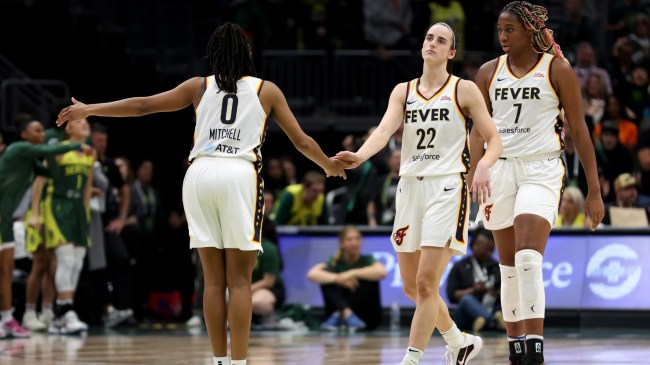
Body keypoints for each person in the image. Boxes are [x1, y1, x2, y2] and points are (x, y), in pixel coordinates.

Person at [56, 22, 345, 365]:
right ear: (247, 54)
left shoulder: (198, 86)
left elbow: (143, 106)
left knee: (212, 280)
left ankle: (218, 360)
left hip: (199, 174)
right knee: (239, 281)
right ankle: (238, 362)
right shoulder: (267, 90)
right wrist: (327, 164)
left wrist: (90, 109)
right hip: (239, 173)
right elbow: (302, 141)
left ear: (213, 55)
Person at [334, 22, 503, 365]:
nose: (432, 43)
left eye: (442, 40)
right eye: (429, 37)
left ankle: (411, 360)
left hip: (446, 186)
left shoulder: (464, 89)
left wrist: (484, 164)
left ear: (451, 52)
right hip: (409, 187)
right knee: (413, 288)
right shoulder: (404, 90)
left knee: (426, 284)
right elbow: (384, 130)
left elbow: (494, 139)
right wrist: (360, 156)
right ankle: (458, 341)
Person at [470, 2, 605, 364]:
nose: (502, 36)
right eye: (499, 29)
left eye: (509, 29)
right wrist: (473, 173)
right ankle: (516, 350)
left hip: (541, 169)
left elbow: (579, 130)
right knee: (509, 267)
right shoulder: (487, 72)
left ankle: (535, 349)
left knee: (529, 258)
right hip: (499, 170)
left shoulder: (557, 69)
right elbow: (477, 132)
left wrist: (594, 190)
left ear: (530, 30)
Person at [0, 119, 89, 338]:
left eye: (43, 131)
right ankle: (31, 313)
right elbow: (50, 150)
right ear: (23, 134)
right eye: (36, 131)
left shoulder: (33, 161)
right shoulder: (17, 149)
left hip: (6, 220)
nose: (42, 134)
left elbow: (54, 175)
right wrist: (75, 145)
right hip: (28, 215)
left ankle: (8, 319)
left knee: (6, 272)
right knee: (39, 264)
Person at [38, 118, 95, 335]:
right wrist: (35, 213)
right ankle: (67, 312)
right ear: (68, 128)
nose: (85, 125)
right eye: (80, 122)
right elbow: (40, 182)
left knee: (77, 261)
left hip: (79, 210)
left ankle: (62, 314)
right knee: (66, 259)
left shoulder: (90, 152)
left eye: (87, 123)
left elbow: (88, 187)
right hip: (58, 205)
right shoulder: (59, 150)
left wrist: (86, 212)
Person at [307, 225, 386, 332]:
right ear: (342, 243)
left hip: (366, 317)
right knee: (326, 277)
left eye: (357, 238)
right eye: (350, 239)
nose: (354, 242)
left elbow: (382, 272)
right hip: (338, 313)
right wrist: (339, 279)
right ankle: (346, 313)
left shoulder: (367, 260)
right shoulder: (335, 262)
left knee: (369, 278)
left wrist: (351, 273)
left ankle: (344, 314)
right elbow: (312, 274)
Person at [446, 226, 504, 333]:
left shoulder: (497, 266)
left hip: (492, 305)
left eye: (491, 250)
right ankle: (493, 320)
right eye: (485, 249)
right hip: (467, 312)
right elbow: (452, 296)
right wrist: (474, 289)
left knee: (507, 301)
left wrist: (497, 292)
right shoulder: (460, 266)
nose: (488, 253)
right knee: (466, 300)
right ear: (474, 245)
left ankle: (484, 319)